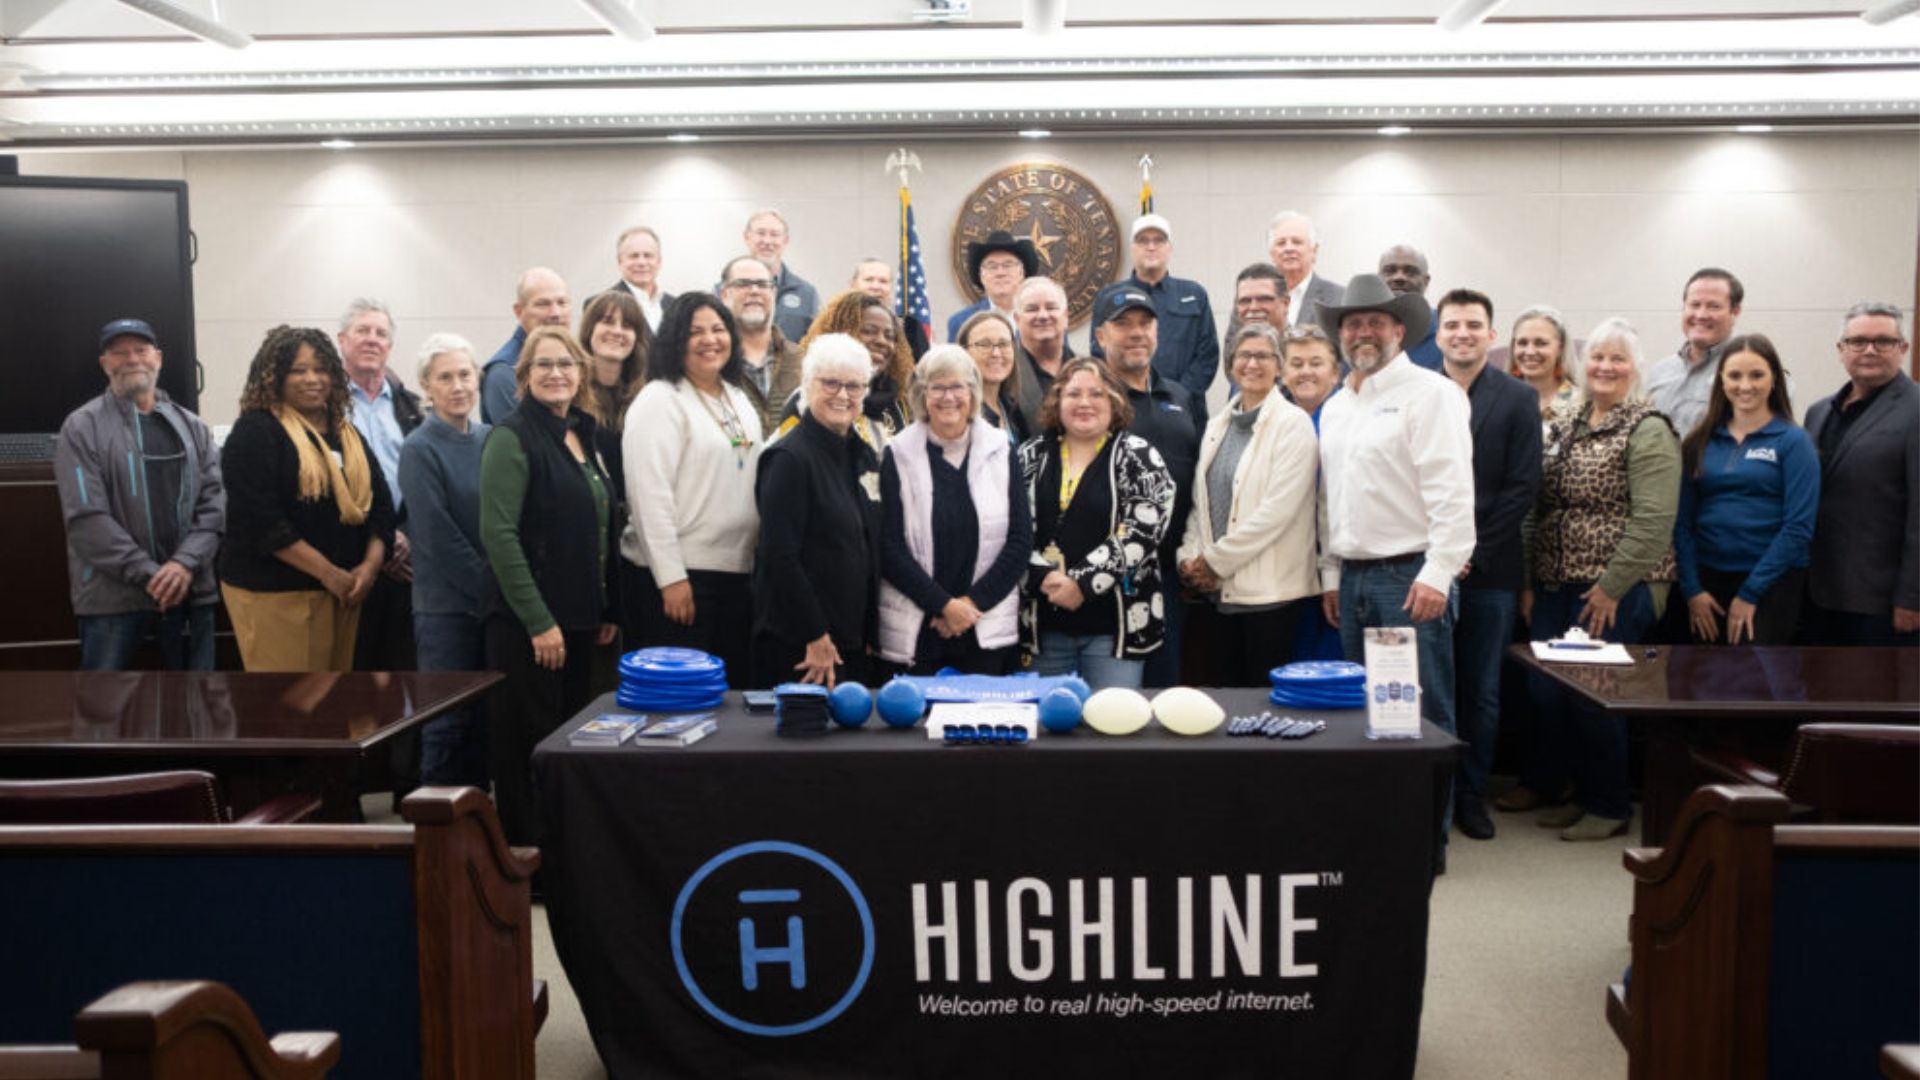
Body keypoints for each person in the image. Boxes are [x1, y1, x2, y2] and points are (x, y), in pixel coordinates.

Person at [1314, 274, 1474, 870]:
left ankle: (1424, 847)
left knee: (1423, 716)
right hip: (1354, 580)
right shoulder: (1336, 406)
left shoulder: (1429, 393)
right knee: (1369, 717)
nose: (1363, 332)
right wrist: (1332, 574)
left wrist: (1439, 573)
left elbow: (1454, 492)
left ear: (1399, 330)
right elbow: (1331, 500)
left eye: (1375, 322)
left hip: (1410, 579)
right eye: (1352, 323)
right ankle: (1380, 834)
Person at [1503, 318, 1680, 841]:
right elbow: (1536, 505)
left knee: (1594, 694)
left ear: (1635, 369)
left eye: (1617, 359)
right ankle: (1558, 785)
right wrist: (1530, 580)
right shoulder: (1566, 421)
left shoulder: (1647, 427)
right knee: (1546, 691)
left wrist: (1611, 587)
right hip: (1557, 579)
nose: (1605, 367)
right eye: (1597, 358)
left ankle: (1607, 803)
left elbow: (1653, 521)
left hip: (1620, 583)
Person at [479, 326, 619, 847]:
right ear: (524, 377)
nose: (556, 373)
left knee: (566, 738)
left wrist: (607, 608)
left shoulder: (584, 432)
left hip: (580, 618)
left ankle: (562, 848)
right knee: (527, 745)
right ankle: (526, 855)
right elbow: (499, 534)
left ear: (581, 374)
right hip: (527, 625)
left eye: (566, 363)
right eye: (543, 365)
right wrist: (538, 621)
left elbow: (600, 524)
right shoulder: (511, 437)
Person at [218, 325, 394, 672]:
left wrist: (369, 569)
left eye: (321, 369)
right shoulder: (256, 432)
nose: (313, 379)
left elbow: (382, 508)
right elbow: (262, 523)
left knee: (335, 707)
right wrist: (327, 573)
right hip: (276, 593)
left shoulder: (347, 434)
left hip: (346, 592)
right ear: (274, 377)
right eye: (298, 370)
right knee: (292, 707)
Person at [54, 318, 224, 671]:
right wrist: (151, 574)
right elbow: (87, 520)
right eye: (119, 353)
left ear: (157, 358)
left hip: (191, 595)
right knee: (105, 713)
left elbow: (214, 508)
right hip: (113, 604)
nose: (132, 359)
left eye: (141, 350)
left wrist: (183, 565)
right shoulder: (81, 427)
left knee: (195, 712)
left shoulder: (194, 427)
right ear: (105, 364)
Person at [1435, 289, 1542, 841]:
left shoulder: (1519, 399)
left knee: (1481, 690)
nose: (1462, 333)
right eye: (1452, 324)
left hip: (1489, 570)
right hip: (1425, 569)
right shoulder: (1421, 392)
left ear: (1491, 335)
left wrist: (1467, 556)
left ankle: (1472, 796)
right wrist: (1441, 556)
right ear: (1438, 333)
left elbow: (1522, 487)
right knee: (1433, 688)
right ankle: (1434, 797)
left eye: (1473, 325)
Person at [620, 293, 763, 681]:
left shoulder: (737, 397)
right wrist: (671, 577)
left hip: (735, 574)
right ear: (674, 339)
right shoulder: (659, 399)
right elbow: (649, 496)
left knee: (729, 702)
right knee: (680, 705)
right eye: (695, 331)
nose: (709, 339)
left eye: (718, 329)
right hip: (680, 580)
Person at [1019, 358, 1176, 690]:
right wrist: (1043, 575)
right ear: (1057, 402)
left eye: (1097, 394)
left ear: (1114, 402)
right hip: (1043, 625)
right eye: (1073, 394)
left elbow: (1143, 530)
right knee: (1051, 731)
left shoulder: (1140, 457)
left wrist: (1082, 584)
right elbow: (1009, 530)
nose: (1085, 403)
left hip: (1115, 630)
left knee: (1113, 731)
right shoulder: (1030, 456)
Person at [1175, 322, 1320, 684]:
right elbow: (1200, 504)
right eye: (1244, 355)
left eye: (1264, 356)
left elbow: (1277, 512)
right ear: (1231, 364)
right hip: (1216, 595)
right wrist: (1189, 557)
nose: (1252, 364)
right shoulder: (1216, 424)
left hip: (1270, 597)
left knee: (1262, 706)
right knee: (1223, 706)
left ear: (1281, 367)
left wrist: (1213, 561)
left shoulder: (1293, 424)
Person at [877, 345, 1033, 676]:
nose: (949, 397)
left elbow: (1020, 540)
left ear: (973, 392)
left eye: (957, 386)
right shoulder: (897, 454)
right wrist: (944, 606)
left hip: (984, 627)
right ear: (922, 394)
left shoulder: (1001, 450)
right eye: (938, 387)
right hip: (921, 628)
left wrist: (969, 607)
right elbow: (888, 546)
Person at [751, 334, 884, 688]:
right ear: (807, 386)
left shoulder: (863, 455)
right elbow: (779, 556)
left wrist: (870, 631)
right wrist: (815, 633)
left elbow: (869, 547)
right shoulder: (789, 459)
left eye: (854, 386)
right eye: (831, 383)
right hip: (803, 645)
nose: (843, 395)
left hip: (852, 641)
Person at [1673, 334, 1818, 646]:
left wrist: (1750, 592)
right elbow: (1682, 523)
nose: (1745, 385)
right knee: (1703, 685)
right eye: (1735, 375)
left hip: (1772, 583)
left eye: (1757, 375)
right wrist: (1692, 590)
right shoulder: (1699, 442)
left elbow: (1798, 528)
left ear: (1774, 380)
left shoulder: (1794, 442)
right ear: (1721, 380)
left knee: (1757, 682)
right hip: (1707, 582)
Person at [1095, 287, 1205, 688]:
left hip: (1172, 575)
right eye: (1122, 324)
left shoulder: (1180, 395)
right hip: (1107, 577)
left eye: (1145, 323)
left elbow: (1199, 483)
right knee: (1112, 695)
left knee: (1164, 691)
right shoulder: (1088, 399)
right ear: (1101, 335)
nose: (1136, 333)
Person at [396, 333, 491, 787]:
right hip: (446, 610)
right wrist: (494, 591)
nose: (457, 386)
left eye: (465, 375)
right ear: (426, 387)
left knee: (485, 725)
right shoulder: (419, 447)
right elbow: (436, 536)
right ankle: (434, 839)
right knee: (447, 723)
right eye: (445, 377)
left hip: (492, 608)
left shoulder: (494, 439)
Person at [1801, 302, 1918, 646]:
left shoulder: (1916, 411)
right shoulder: (1818, 412)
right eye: (1857, 341)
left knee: (1877, 697)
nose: (1869, 350)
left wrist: (1913, 598)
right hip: (1818, 592)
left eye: (1883, 341)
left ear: (1903, 349)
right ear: (1841, 350)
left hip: (1883, 602)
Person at [338, 299, 423, 673]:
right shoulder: (325, 405)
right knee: (353, 673)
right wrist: (378, 541)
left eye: (381, 333)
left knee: (403, 671)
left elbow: (422, 484)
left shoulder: (411, 407)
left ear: (390, 346)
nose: (372, 340)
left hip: (404, 561)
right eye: (363, 331)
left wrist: (400, 535)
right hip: (347, 560)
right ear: (342, 341)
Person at [1090, 214, 1220, 399]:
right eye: (1143, 241)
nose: (1151, 247)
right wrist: (1128, 394)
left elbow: (1207, 355)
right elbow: (1099, 352)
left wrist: (1179, 396)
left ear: (1170, 248)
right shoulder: (1109, 296)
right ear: (1132, 249)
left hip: (1186, 411)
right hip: (1126, 406)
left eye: (1159, 240)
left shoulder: (1194, 294)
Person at [1279, 323, 1346, 662]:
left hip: (1335, 571)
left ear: (1335, 373)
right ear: (1283, 372)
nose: (1306, 371)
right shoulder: (1277, 423)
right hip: (1286, 573)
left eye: (1316, 363)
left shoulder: (1348, 422)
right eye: (1297, 363)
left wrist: (1331, 573)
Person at [788, 289, 913, 450]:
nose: (882, 341)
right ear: (841, 332)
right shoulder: (810, 397)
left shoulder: (899, 402)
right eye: (869, 331)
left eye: (890, 336)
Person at [1644, 267, 1743, 440]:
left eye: (1714, 306)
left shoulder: (1751, 375)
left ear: (1735, 312)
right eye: (1694, 304)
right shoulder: (1657, 373)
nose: (1701, 314)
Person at [720, 255, 804, 437]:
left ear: (773, 293)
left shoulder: (802, 360)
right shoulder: (713, 362)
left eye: (762, 284)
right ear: (725, 294)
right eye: (743, 284)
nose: (754, 291)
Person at [483, 267, 571, 423]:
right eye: (543, 304)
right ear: (519, 311)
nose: (556, 313)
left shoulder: (576, 360)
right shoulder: (505, 372)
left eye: (562, 302)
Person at [576, 289, 650, 437]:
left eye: (627, 325)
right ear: (589, 330)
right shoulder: (571, 393)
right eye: (608, 321)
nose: (617, 331)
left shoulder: (647, 397)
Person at [947, 230, 1038, 343]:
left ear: (1021, 273)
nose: (1000, 273)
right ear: (982, 276)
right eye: (992, 267)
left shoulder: (1042, 319)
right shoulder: (961, 322)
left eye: (1008, 265)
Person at [744, 209, 819, 343]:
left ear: (785, 241)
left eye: (774, 234)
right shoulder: (725, 290)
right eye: (761, 233)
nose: (767, 241)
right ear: (747, 237)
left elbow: (816, 344)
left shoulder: (807, 294)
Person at [1011, 276, 1073, 432]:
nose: (1043, 316)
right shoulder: (1006, 374)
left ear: (1066, 316)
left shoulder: (1089, 370)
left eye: (1051, 307)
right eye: (1032, 309)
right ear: (1017, 320)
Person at [956, 310, 1028, 444]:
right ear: (964, 352)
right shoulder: (958, 414)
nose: (996, 353)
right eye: (984, 344)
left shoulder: (1013, 409)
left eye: (1003, 344)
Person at [1508, 305, 1579, 428]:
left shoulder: (1582, 405)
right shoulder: (1497, 401)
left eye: (1541, 343)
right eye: (1522, 343)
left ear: (1560, 349)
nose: (1529, 351)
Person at [1268, 211, 1343, 326]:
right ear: (1272, 254)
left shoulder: (1338, 298)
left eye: (1297, 242)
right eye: (1281, 243)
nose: (1288, 248)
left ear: (1314, 250)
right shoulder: (1253, 300)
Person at [1378, 244, 1441, 371]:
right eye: (1390, 271)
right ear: (1378, 278)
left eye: (1410, 272)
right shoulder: (1359, 332)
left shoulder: (1447, 330)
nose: (1399, 277)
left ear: (1426, 281)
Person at [853, 257, 929, 360]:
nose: (876, 286)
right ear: (853, 285)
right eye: (869, 280)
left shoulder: (910, 326)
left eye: (883, 281)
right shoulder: (838, 321)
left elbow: (922, 367)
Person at [610, 225, 673, 332]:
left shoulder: (675, 305)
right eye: (634, 256)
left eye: (648, 255)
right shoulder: (602, 305)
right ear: (619, 261)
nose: (641, 262)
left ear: (659, 261)